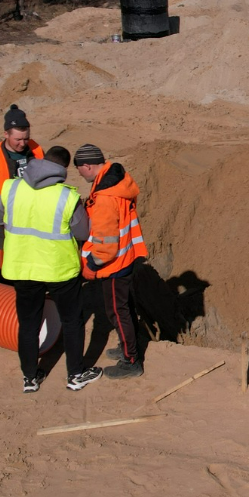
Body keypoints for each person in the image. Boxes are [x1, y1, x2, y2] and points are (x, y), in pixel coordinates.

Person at [0, 145, 99, 393]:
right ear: (63, 169)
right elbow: (82, 232)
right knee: (72, 321)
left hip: (22, 268)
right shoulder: (67, 197)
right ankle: (75, 374)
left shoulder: (11, 187)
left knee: (29, 324)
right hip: (59, 270)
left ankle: (30, 377)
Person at [74, 144, 149, 379]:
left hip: (114, 265)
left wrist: (91, 267)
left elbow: (106, 247)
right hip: (126, 258)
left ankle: (131, 360)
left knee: (118, 312)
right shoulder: (117, 180)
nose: (79, 174)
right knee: (125, 308)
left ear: (88, 166)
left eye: (79, 169)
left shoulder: (105, 199)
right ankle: (129, 348)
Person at [0, 104, 42, 253]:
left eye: (26, 139)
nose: (23, 143)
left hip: (34, 219)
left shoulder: (36, 150)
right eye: (18, 139)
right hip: (5, 223)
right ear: (6, 134)